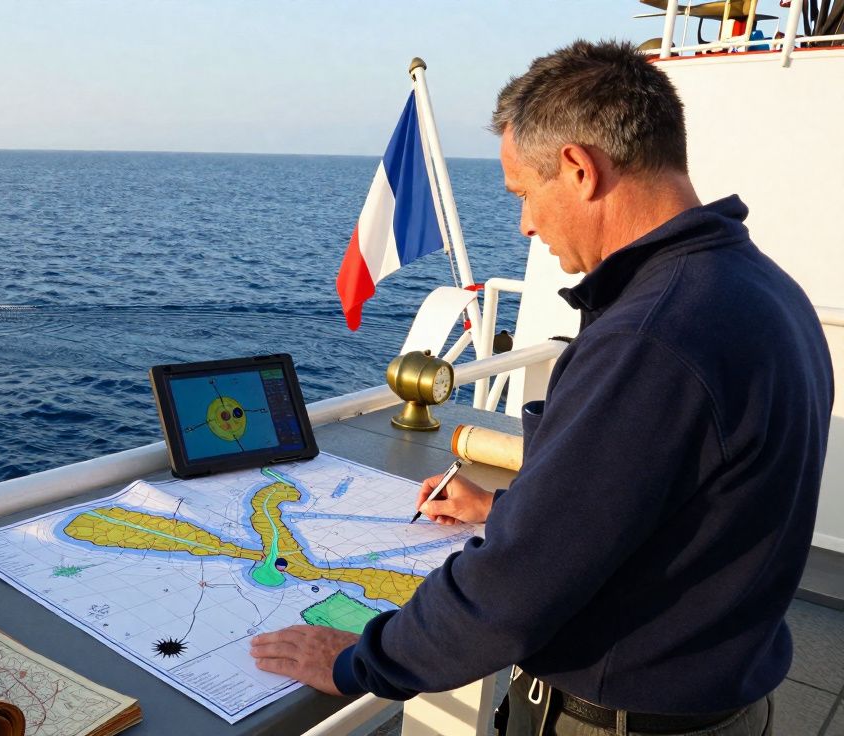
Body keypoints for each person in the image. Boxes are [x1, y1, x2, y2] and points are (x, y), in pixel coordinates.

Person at [249, 39, 833, 735]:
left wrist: (356, 664)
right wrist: (507, 511)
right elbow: (661, 506)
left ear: (580, 169)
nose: (525, 223)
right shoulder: (764, 291)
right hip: (724, 701)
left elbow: (516, 591)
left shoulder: (652, 338)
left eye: (525, 193)